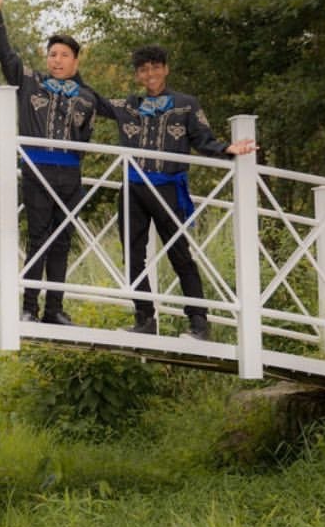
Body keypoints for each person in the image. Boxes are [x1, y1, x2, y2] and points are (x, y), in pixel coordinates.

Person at [93, 44, 257, 340]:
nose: (151, 73)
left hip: (168, 188)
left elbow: (203, 139)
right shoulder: (128, 106)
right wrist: (69, 70)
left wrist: (227, 149)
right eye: (144, 69)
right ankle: (145, 319)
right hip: (133, 189)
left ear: (166, 69)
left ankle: (198, 323)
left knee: (180, 255)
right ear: (137, 75)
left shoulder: (186, 104)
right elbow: (94, 101)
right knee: (133, 256)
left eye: (156, 67)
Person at [0, 0, 99, 325]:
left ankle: (55, 309)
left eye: (64, 55)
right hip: (36, 168)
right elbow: (5, 54)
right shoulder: (30, 80)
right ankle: (29, 307)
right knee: (39, 237)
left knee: (63, 240)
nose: (57, 60)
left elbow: (92, 134)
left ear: (76, 60)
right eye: (53, 54)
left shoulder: (88, 96)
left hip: (70, 174)